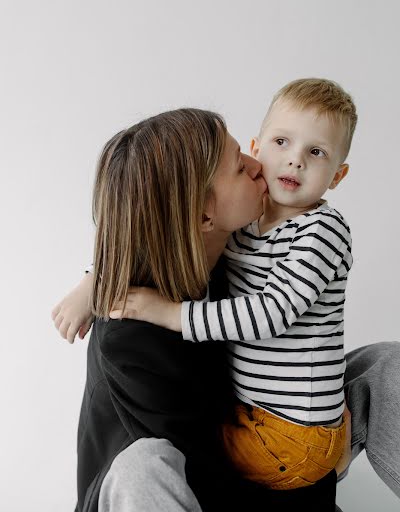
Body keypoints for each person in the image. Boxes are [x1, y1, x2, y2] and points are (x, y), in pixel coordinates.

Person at [53, 107, 400, 510]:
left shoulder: (232, 256)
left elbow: (138, 229)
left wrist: (93, 276)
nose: (260, 165)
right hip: (187, 489)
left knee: (385, 365)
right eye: (239, 167)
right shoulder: (131, 337)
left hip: (262, 438)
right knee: (143, 466)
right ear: (202, 215)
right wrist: (316, 478)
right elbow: (208, 477)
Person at [107, 78, 356, 490]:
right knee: (165, 454)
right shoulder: (248, 228)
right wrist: (95, 279)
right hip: (261, 417)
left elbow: (272, 312)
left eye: (316, 152)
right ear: (257, 148)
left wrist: (170, 314)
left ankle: (329, 462)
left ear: (337, 175)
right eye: (281, 142)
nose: (295, 161)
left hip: (292, 433)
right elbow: (154, 234)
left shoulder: (322, 230)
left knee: (196, 455)